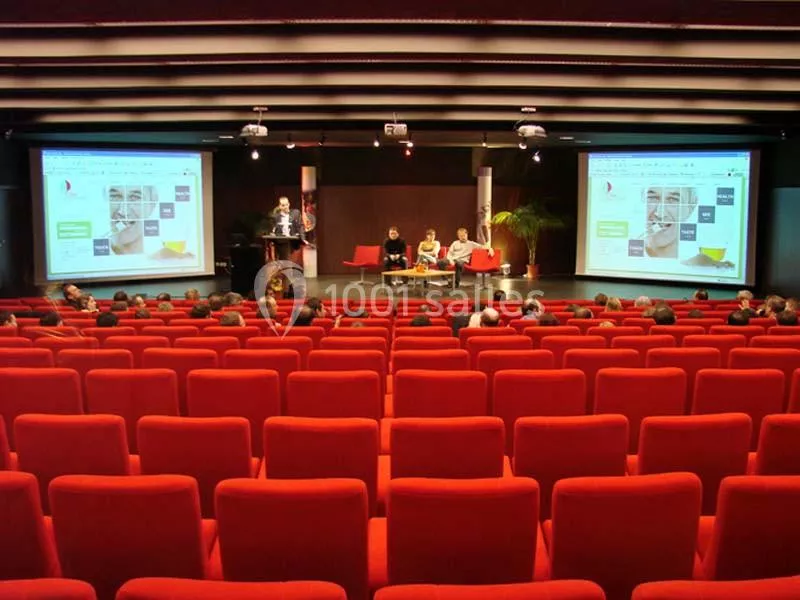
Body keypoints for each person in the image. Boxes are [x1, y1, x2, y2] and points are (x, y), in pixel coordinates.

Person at [644, 187, 699, 259]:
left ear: (691, 207)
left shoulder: (698, 262)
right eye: (652, 198)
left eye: (672, 199)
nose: (659, 213)